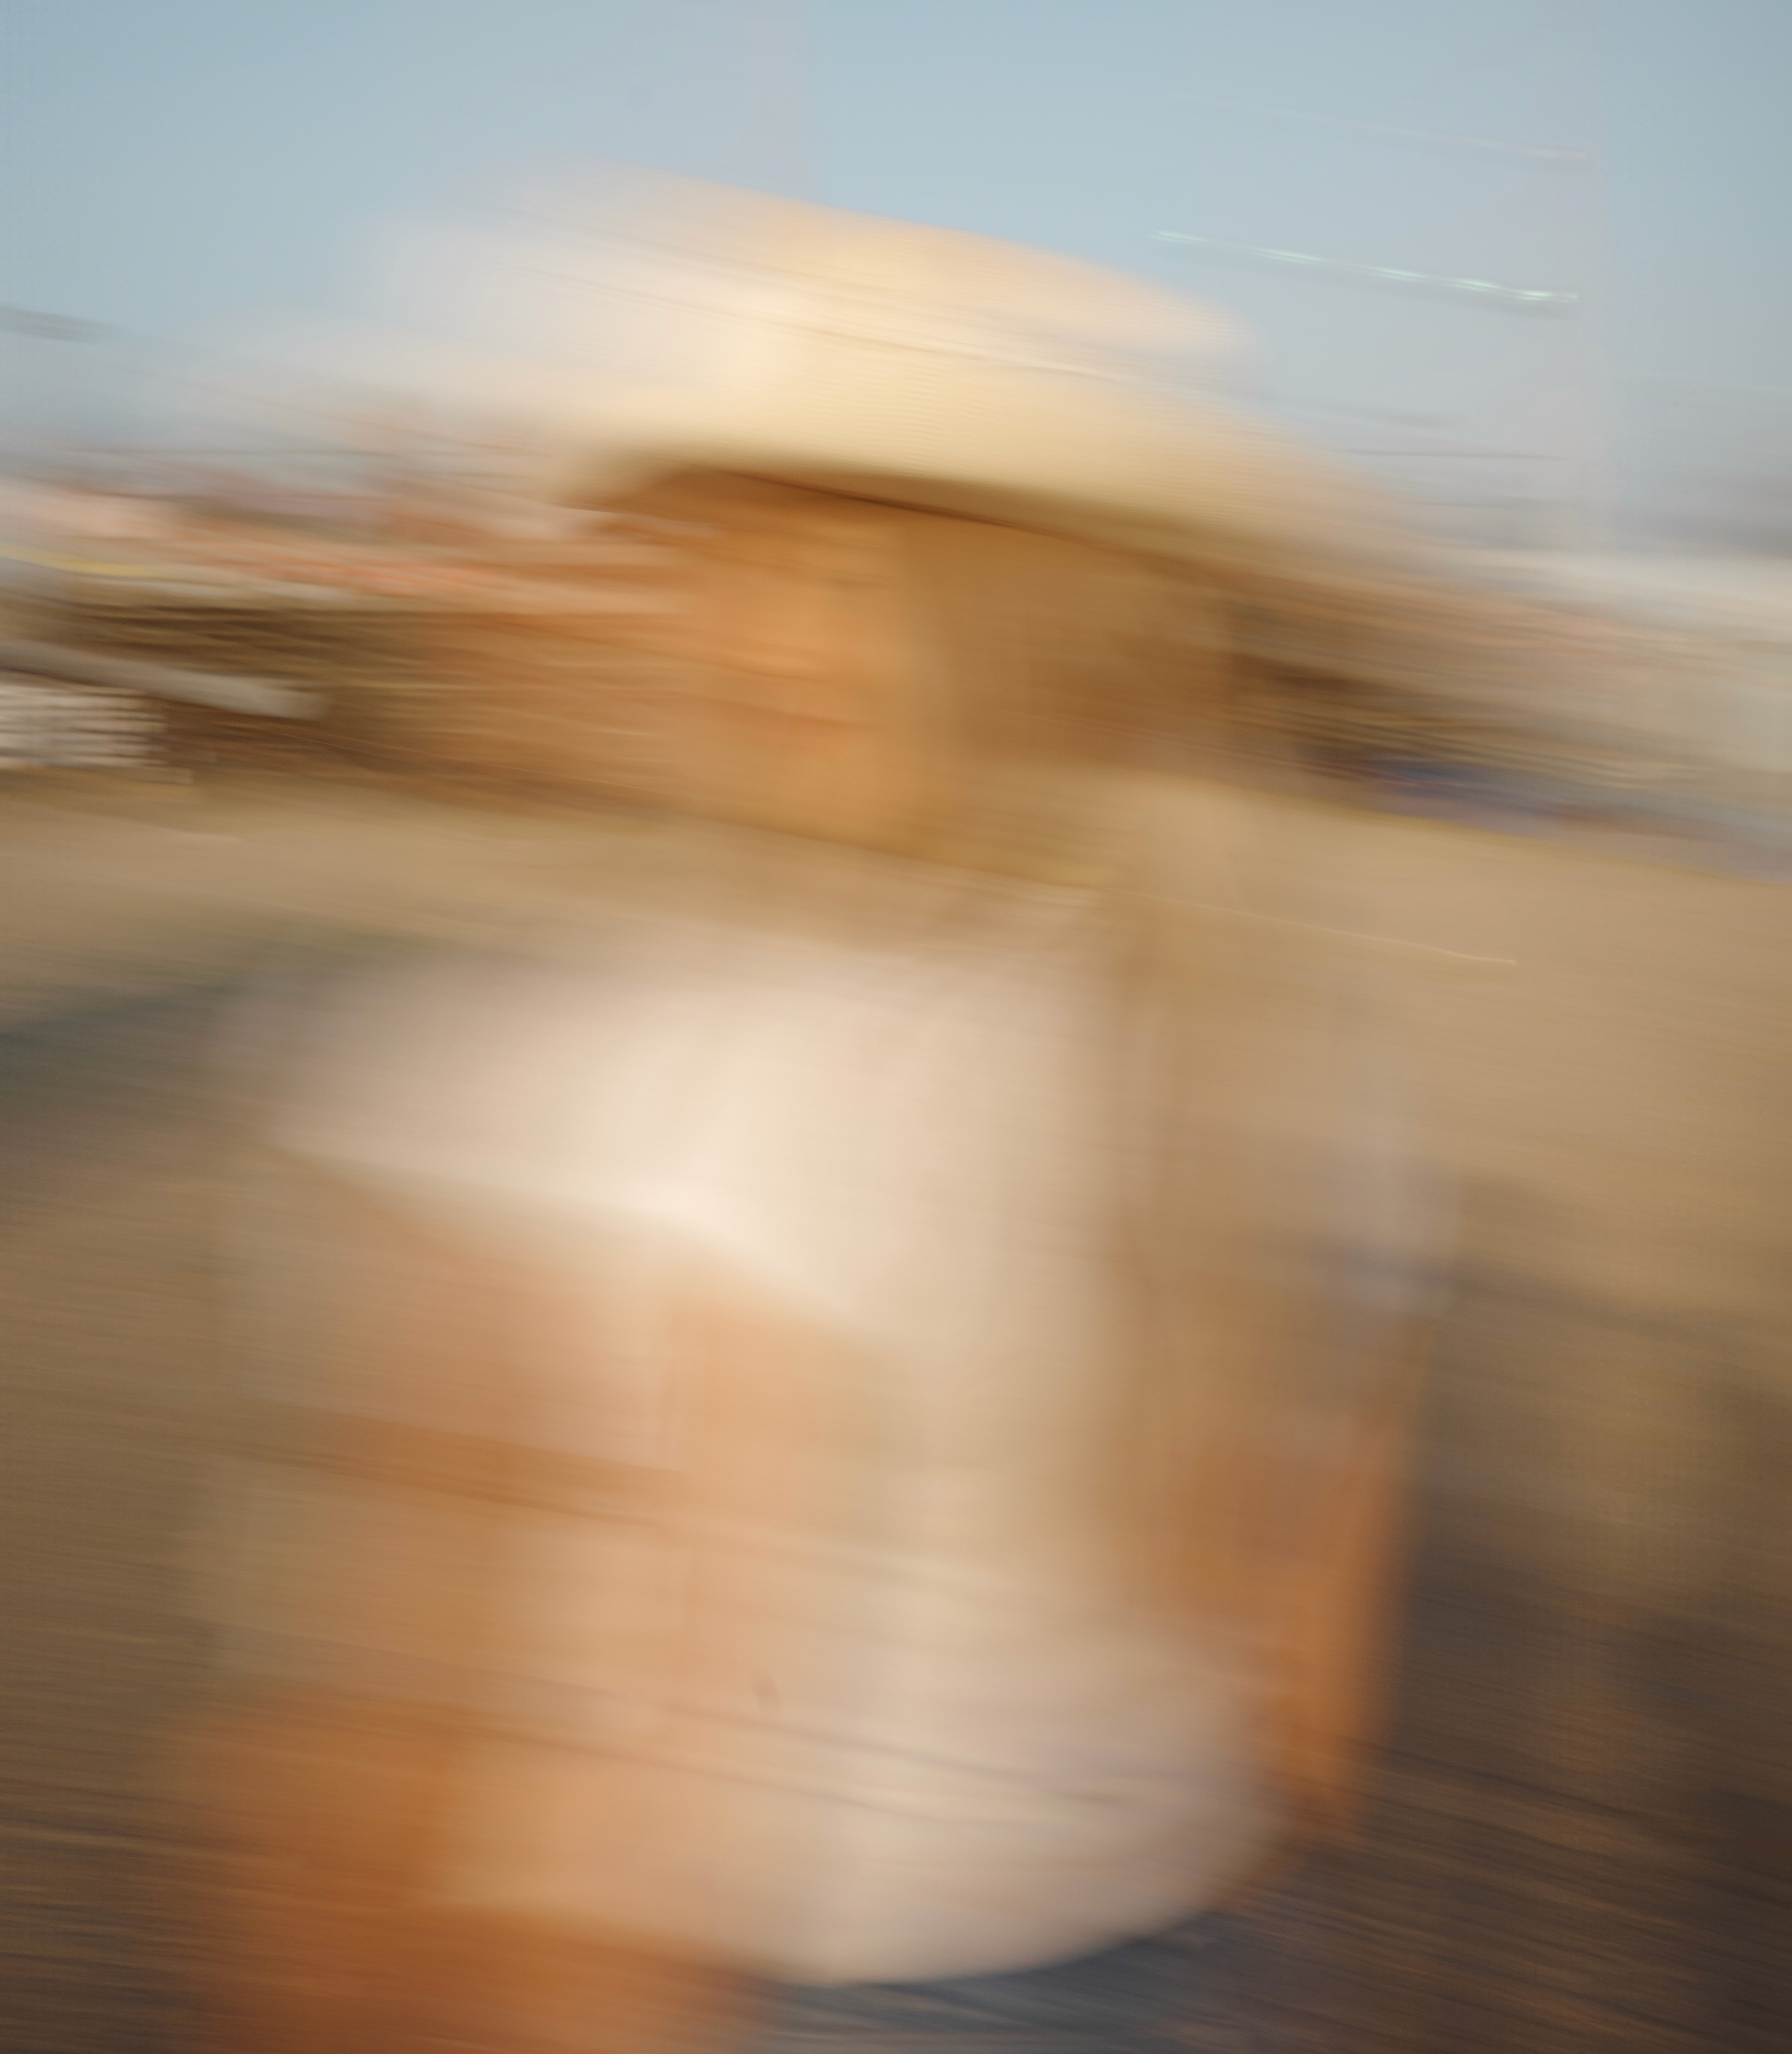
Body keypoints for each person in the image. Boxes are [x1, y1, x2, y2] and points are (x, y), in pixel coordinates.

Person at [186, 183, 1445, 2052]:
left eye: (738, 563)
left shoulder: (680, 1063)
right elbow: (1306, 1723)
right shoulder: (1298, 1058)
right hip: (1171, 1961)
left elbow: (646, 1790)